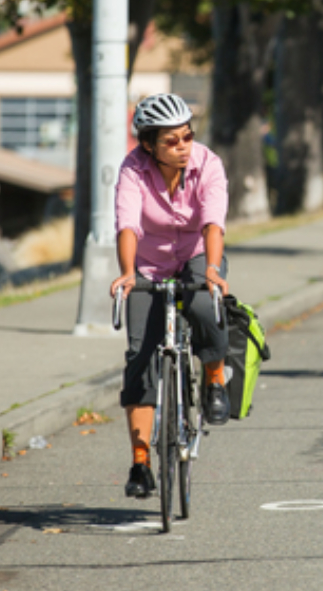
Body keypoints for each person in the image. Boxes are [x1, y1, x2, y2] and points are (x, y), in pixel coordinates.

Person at [109, 93, 231, 500]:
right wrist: (127, 273)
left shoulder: (208, 163)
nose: (183, 147)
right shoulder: (133, 171)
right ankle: (141, 464)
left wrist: (212, 270)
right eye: (172, 141)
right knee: (139, 357)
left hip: (197, 256)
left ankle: (214, 379)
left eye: (187, 137)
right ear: (149, 145)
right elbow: (127, 224)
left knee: (203, 305)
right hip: (147, 265)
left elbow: (213, 221)